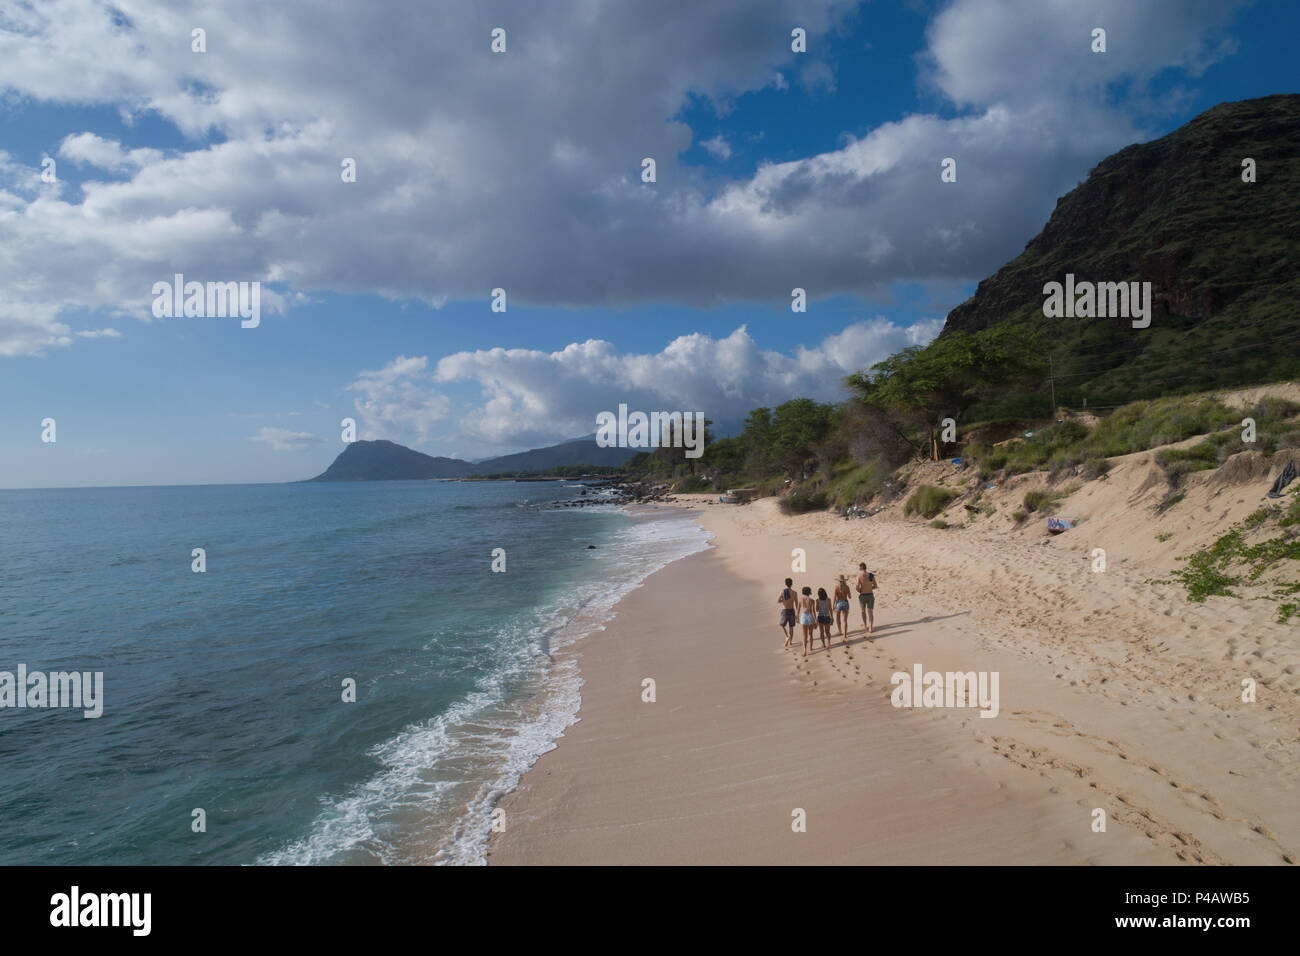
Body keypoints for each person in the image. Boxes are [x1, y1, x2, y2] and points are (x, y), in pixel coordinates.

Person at [855, 562, 879, 634]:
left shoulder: (859, 575)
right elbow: (875, 585)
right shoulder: (871, 575)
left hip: (863, 595)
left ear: (860, 568)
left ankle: (865, 625)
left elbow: (856, 586)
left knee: (863, 611)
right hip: (870, 594)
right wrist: (870, 588)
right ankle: (871, 628)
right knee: (870, 612)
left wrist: (860, 590)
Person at [777, 577, 798, 647]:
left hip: (785, 610)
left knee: (782, 625)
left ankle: (787, 637)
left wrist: (784, 600)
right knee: (791, 627)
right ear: (792, 584)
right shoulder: (795, 593)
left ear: (786, 584)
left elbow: (778, 601)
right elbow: (797, 604)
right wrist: (797, 614)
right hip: (792, 610)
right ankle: (790, 641)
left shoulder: (783, 591)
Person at [833, 575, 852, 642]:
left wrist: (833, 606)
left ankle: (840, 631)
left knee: (838, 618)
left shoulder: (836, 587)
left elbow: (835, 598)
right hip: (845, 602)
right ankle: (845, 634)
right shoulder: (847, 587)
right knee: (845, 620)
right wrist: (847, 593)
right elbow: (850, 597)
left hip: (838, 603)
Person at [799, 586, 817, 657]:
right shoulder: (812, 600)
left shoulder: (801, 599)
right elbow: (813, 611)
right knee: (810, 634)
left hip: (803, 616)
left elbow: (797, 609)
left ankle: (804, 650)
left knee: (804, 635)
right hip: (810, 616)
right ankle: (811, 648)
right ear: (809, 592)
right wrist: (815, 621)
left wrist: (797, 617)